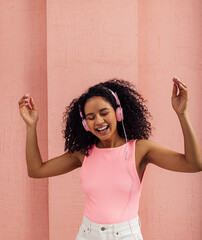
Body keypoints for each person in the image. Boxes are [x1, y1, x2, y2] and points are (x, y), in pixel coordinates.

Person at [18, 77, 201, 240]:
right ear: (85, 124)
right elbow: (36, 170)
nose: (98, 121)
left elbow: (193, 164)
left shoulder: (140, 149)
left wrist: (182, 114)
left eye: (104, 113)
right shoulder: (83, 153)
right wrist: (30, 126)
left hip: (126, 234)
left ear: (118, 113)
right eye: (91, 117)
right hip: (87, 233)